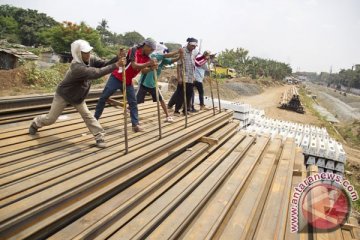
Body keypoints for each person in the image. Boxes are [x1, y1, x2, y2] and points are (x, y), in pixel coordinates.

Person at [28, 39, 125, 148]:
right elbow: (97, 73)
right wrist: (116, 65)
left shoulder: (91, 59)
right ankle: (36, 123)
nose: (88, 55)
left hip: (78, 96)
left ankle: (99, 136)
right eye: (85, 53)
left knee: (88, 115)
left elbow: (104, 64)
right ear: (79, 54)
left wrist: (117, 58)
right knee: (51, 118)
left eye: (88, 52)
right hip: (64, 94)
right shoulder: (76, 67)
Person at [94, 38, 157, 132]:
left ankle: (135, 125)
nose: (151, 52)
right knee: (104, 97)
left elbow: (143, 71)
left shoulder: (147, 58)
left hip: (127, 81)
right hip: (117, 77)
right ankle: (94, 120)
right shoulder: (134, 50)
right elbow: (134, 66)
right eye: (151, 49)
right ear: (146, 46)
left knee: (133, 102)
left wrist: (151, 68)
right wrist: (148, 63)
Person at [136, 43, 183, 122]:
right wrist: (177, 51)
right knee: (136, 100)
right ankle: (129, 109)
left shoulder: (162, 59)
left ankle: (167, 116)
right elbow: (166, 56)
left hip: (153, 83)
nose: (165, 54)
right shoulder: (154, 56)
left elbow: (172, 60)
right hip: (144, 83)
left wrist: (180, 56)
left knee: (161, 99)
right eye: (164, 52)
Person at [168, 37, 198, 115]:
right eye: (192, 46)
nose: (193, 48)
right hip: (184, 77)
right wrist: (179, 77)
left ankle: (186, 110)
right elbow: (178, 65)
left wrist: (193, 76)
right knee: (180, 95)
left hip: (190, 77)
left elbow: (192, 66)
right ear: (188, 44)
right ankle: (176, 111)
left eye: (195, 46)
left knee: (189, 94)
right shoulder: (183, 51)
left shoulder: (192, 53)